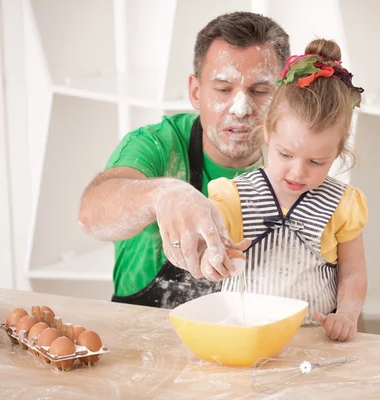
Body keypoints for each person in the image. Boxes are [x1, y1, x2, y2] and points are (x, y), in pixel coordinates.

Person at [77, 12, 290, 308]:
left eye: (260, 90)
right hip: (146, 339)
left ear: (283, 96)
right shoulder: (157, 144)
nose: (241, 109)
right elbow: (91, 216)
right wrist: (162, 195)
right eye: (223, 89)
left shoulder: (294, 161)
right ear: (195, 91)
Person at [207, 39, 368, 341]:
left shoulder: (343, 205)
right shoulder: (232, 198)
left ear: (338, 152)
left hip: (313, 340)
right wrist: (209, 260)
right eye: (285, 155)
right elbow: (206, 249)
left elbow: (354, 273)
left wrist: (346, 314)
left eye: (317, 161)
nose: (298, 172)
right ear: (267, 132)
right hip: (244, 338)